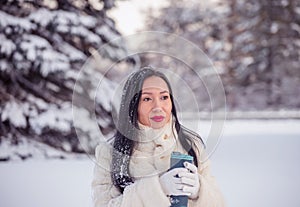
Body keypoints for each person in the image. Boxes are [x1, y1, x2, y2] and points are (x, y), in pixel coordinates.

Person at [92, 66, 225, 207]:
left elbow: (219, 202)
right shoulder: (108, 153)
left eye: (164, 97)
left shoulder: (192, 145)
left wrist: (199, 192)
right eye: (147, 98)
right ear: (132, 105)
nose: (158, 107)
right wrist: (158, 188)